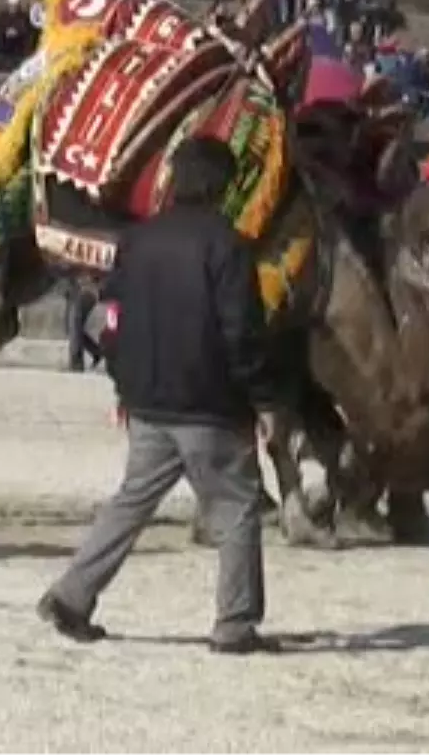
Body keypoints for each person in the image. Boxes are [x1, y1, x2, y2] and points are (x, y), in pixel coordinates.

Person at [38, 136, 282, 654]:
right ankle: (235, 623)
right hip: (211, 404)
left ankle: (72, 594)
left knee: (132, 501)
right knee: (238, 507)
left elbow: (112, 322)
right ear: (225, 185)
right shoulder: (229, 245)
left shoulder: (138, 241)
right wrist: (263, 399)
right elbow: (241, 332)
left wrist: (125, 385)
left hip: (149, 401)